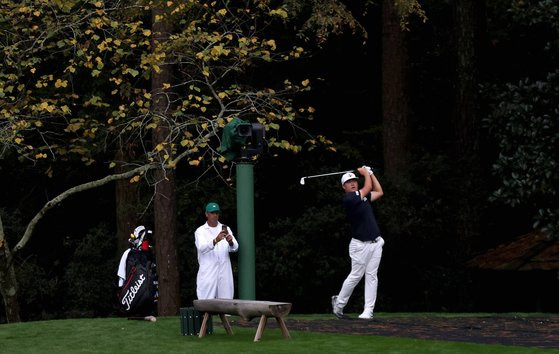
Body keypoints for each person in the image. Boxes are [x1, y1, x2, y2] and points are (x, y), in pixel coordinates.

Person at [331, 165, 384, 320]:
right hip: (359, 246)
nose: (353, 183)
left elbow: (379, 191)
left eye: (354, 180)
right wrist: (366, 173)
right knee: (356, 275)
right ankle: (339, 304)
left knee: (372, 276)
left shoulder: (363, 197)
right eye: (349, 182)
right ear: (344, 187)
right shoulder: (349, 199)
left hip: (376, 243)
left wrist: (371, 174)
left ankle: (368, 311)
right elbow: (368, 187)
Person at [194, 202, 239, 300]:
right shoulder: (200, 231)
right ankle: (206, 315)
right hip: (208, 270)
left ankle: (225, 315)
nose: (215, 215)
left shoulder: (225, 228)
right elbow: (202, 247)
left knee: (226, 301)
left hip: (224, 269)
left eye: (217, 213)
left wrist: (230, 241)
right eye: (212, 213)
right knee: (205, 301)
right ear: (206, 214)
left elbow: (235, 248)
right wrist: (216, 240)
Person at [116, 225, 158, 320]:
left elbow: (121, 276)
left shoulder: (148, 254)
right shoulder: (129, 253)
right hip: (134, 303)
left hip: (147, 302)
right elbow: (121, 276)